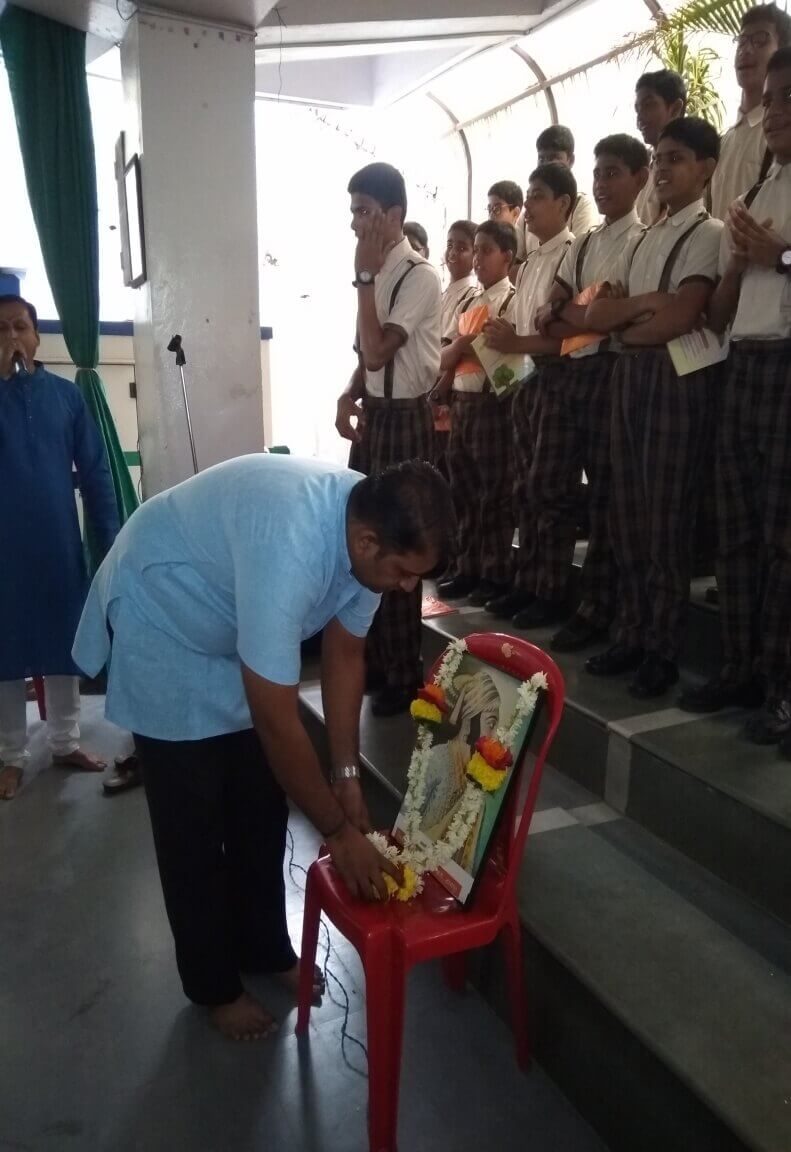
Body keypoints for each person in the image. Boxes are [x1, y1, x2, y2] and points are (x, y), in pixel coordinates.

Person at [73, 455, 455, 1041]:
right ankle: (214, 988)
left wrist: (347, 772)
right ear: (367, 540)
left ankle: (263, 948)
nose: (408, 587)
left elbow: (346, 654)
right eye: (405, 573)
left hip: (225, 627)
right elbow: (278, 719)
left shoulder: (371, 531)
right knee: (193, 826)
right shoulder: (294, 543)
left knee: (259, 802)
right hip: (163, 613)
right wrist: (337, 832)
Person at [584, 117, 723, 698]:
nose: (663, 169)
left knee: (666, 517)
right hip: (630, 377)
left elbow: (681, 318)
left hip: (676, 380)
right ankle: (633, 632)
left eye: (677, 158)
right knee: (627, 513)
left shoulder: (710, 233)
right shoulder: (642, 238)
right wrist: (644, 309)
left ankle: (662, 647)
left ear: (707, 168)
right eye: (659, 158)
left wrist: (635, 321)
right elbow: (596, 318)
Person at [679, 47, 791, 755]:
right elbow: (723, 304)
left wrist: (776, 255)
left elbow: (779, 262)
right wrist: (732, 264)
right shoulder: (759, 182)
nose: (773, 111)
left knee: (782, 535)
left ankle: (782, 687)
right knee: (738, 529)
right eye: (771, 98)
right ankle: (744, 668)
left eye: (786, 99)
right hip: (743, 363)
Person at [530, 135, 649, 649]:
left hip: (607, 370)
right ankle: (549, 588)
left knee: (604, 496)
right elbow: (553, 314)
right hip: (567, 370)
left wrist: (585, 312)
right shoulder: (586, 243)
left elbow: (607, 316)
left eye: (614, 172)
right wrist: (587, 309)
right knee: (545, 481)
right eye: (598, 174)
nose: (602, 183)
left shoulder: (638, 240)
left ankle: (599, 606)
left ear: (640, 178)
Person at [0, 295, 119, 801]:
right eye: (1, 329)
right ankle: (8, 756)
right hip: (4, 550)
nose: (11, 338)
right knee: (4, 650)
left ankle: (65, 740)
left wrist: (111, 540)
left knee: (63, 643)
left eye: (20, 327)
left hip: (56, 544)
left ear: (36, 336)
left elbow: (95, 474)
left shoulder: (66, 398)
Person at [335, 163, 442, 717]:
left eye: (364, 212)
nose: (355, 224)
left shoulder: (418, 276)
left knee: (400, 540)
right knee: (366, 537)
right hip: (378, 413)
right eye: (352, 211)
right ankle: (377, 658)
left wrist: (363, 279)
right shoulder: (376, 273)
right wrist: (348, 394)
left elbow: (380, 351)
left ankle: (406, 672)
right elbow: (365, 357)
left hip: (405, 418)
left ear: (393, 215)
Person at [482, 162, 577, 626]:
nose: (529, 209)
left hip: (557, 378)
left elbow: (568, 334)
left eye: (538, 197)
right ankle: (529, 580)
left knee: (547, 487)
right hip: (525, 379)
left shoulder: (570, 254)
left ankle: (551, 589)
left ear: (564, 204)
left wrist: (516, 342)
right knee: (522, 485)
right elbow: (521, 327)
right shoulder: (533, 260)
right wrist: (508, 338)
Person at [435, 220, 517, 606]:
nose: (479, 259)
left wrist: (468, 345)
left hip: (492, 404)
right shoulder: (470, 302)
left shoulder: (508, 299)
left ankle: (495, 572)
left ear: (508, 257)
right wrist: (467, 343)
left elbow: (501, 357)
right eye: (477, 250)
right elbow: (449, 353)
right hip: (462, 403)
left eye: (487, 251)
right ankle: (467, 566)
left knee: (494, 494)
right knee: (463, 489)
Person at [710, 3, 791, 222]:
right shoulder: (722, 142)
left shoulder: (780, 135)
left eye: (760, 40)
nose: (746, 50)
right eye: (742, 41)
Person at [519, 126, 599, 258]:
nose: (545, 164)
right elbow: (510, 265)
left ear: (571, 160)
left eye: (553, 157)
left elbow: (580, 260)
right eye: (541, 158)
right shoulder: (526, 214)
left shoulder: (581, 204)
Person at [634, 69, 687, 225]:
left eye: (648, 105)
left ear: (675, 109)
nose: (640, 118)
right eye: (637, 109)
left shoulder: (692, 166)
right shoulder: (644, 170)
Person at [440, 219, 477, 341]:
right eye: (449, 245)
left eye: (461, 248)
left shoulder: (473, 296)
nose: (452, 253)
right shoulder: (442, 295)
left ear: (475, 255)